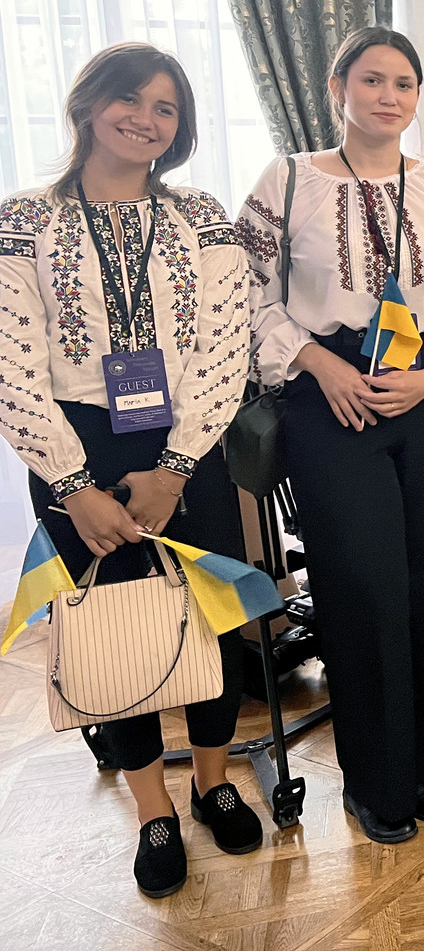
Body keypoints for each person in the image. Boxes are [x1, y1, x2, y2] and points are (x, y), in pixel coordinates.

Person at [0, 43, 259, 896]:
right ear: (88, 103)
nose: (146, 120)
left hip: (188, 442)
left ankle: (214, 782)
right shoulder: (24, 220)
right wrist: (72, 487)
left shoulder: (201, 216)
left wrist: (177, 469)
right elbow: (10, 366)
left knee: (211, 617)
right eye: (131, 100)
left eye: (166, 108)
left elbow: (226, 347)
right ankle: (152, 808)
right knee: (110, 632)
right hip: (76, 446)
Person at [237, 27, 424, 844]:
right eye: (372, 79)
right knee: (363, 591)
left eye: (404, 83)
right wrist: (318, 363)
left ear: (420, 97)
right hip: (333, 400)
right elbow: (242, 295)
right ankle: (375, 781)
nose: (389, 96)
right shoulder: (287, 179)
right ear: (337, 88)